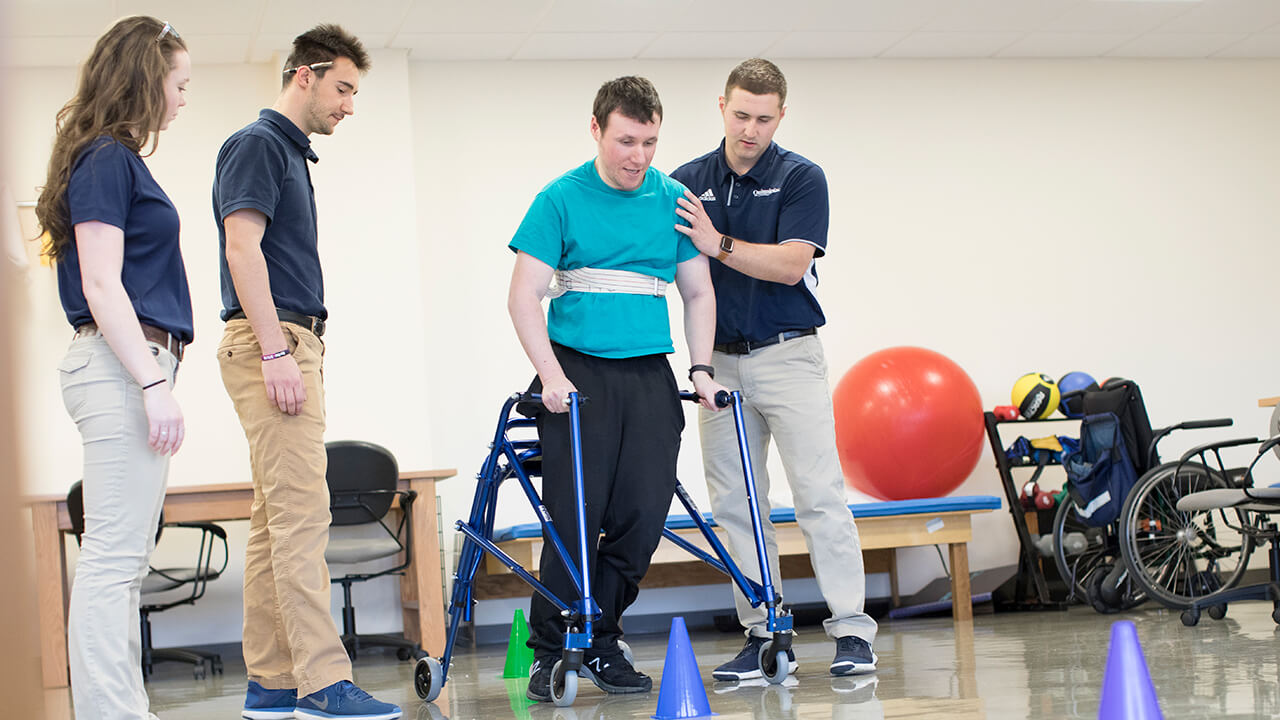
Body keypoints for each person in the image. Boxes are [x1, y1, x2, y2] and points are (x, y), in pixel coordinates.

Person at [508, 75, 729, 702]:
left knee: (642, 517)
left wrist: (701, 369)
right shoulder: (559, 199)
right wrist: (552, 376)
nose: (639, 156)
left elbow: (698, 292)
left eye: (650, 143)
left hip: (648, 373)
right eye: (626, 141)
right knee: (576, 519)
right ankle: (550, 649)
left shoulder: (675, 199)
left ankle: (600, 637)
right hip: (576, 373)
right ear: (597, 130)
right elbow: (523, 298)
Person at [212, 25, 399, 720]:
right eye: (342, 89)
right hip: (276, 338)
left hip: (285, 338)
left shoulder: (286, 152)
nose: (349, 105)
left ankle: (272, 681)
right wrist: (275, 352)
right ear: (305, 75)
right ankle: (323, 681)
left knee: (274, 522)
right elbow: (241, 247)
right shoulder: (259, 144)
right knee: (301, 518)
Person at [670, 58, 879, 680]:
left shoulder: (801, 177)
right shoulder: (687, 182)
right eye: (740, 115)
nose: (750, 130)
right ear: (722, 107)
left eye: (763, 119)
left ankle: (851, 631)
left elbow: (790, 266)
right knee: (736, 504)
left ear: (781, 116)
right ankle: (763, 634)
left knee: (819, 497)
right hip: (719, 365)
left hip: (790, 356)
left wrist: (718, 243)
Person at [35, 16, 191, 720]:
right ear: (144, 79)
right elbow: (101, 283)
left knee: (121, 564)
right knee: (112, 562)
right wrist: (152, 384)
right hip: (121, 366)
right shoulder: (104, 157)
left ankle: (125, 710)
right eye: (178, 83)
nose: (182, 98)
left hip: (125, 365)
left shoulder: (112, 159)